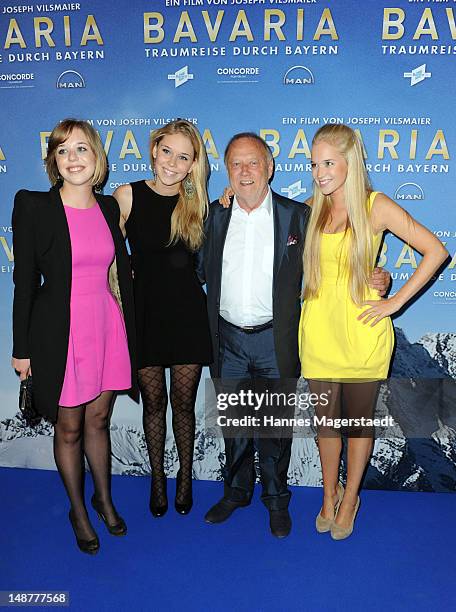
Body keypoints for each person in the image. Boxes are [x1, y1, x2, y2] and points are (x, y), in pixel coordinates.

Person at [198, 132, 390, 538]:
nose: (245, 171)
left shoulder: (298, 215)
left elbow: (341, 253)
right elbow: (194, 271)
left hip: (274, 338)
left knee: (274, 427)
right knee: (233, 423)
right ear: (226, 172)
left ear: (270, 167)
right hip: (227, 338)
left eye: (254, 162)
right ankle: (235, 492)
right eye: (236, 164)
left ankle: (275, 499)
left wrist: (380, 275)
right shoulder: (214, 216)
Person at [299, 124, 448, 540]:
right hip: (317, 333)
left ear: (351, 161)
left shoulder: (374, 205)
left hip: (363, 334)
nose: (320, 172)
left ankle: (351, 500)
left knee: (357, 424)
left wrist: (394, 301)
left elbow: (436, 250)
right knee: (326, 426)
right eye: (314, 163)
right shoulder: (311, 208)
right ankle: (330, 494)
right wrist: (228, 198)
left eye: (329, 163)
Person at [11, 119, 138, 554]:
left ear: (97, 157)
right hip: (59, 331)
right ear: (53, 162)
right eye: (62, 151)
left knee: (99, 420)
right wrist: (21, 350)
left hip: (105, 323)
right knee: (68, 428)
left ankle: (103, 499)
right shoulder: (33, 206)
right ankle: (78, 510)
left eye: (81, 149)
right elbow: (23, 282)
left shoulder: (107, 209)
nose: (72, 159)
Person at [113, 120, 212, 517]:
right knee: (153, 403)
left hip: (187, 313)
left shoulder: (198, 203)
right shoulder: (128, 195)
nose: (173, 162)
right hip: (145, 314)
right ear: (153, 150)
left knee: (183, 404)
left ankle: (185, 482)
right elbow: (105, 250)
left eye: (183, 156)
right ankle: (158, 482)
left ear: (192, 165)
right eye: (167, 151)